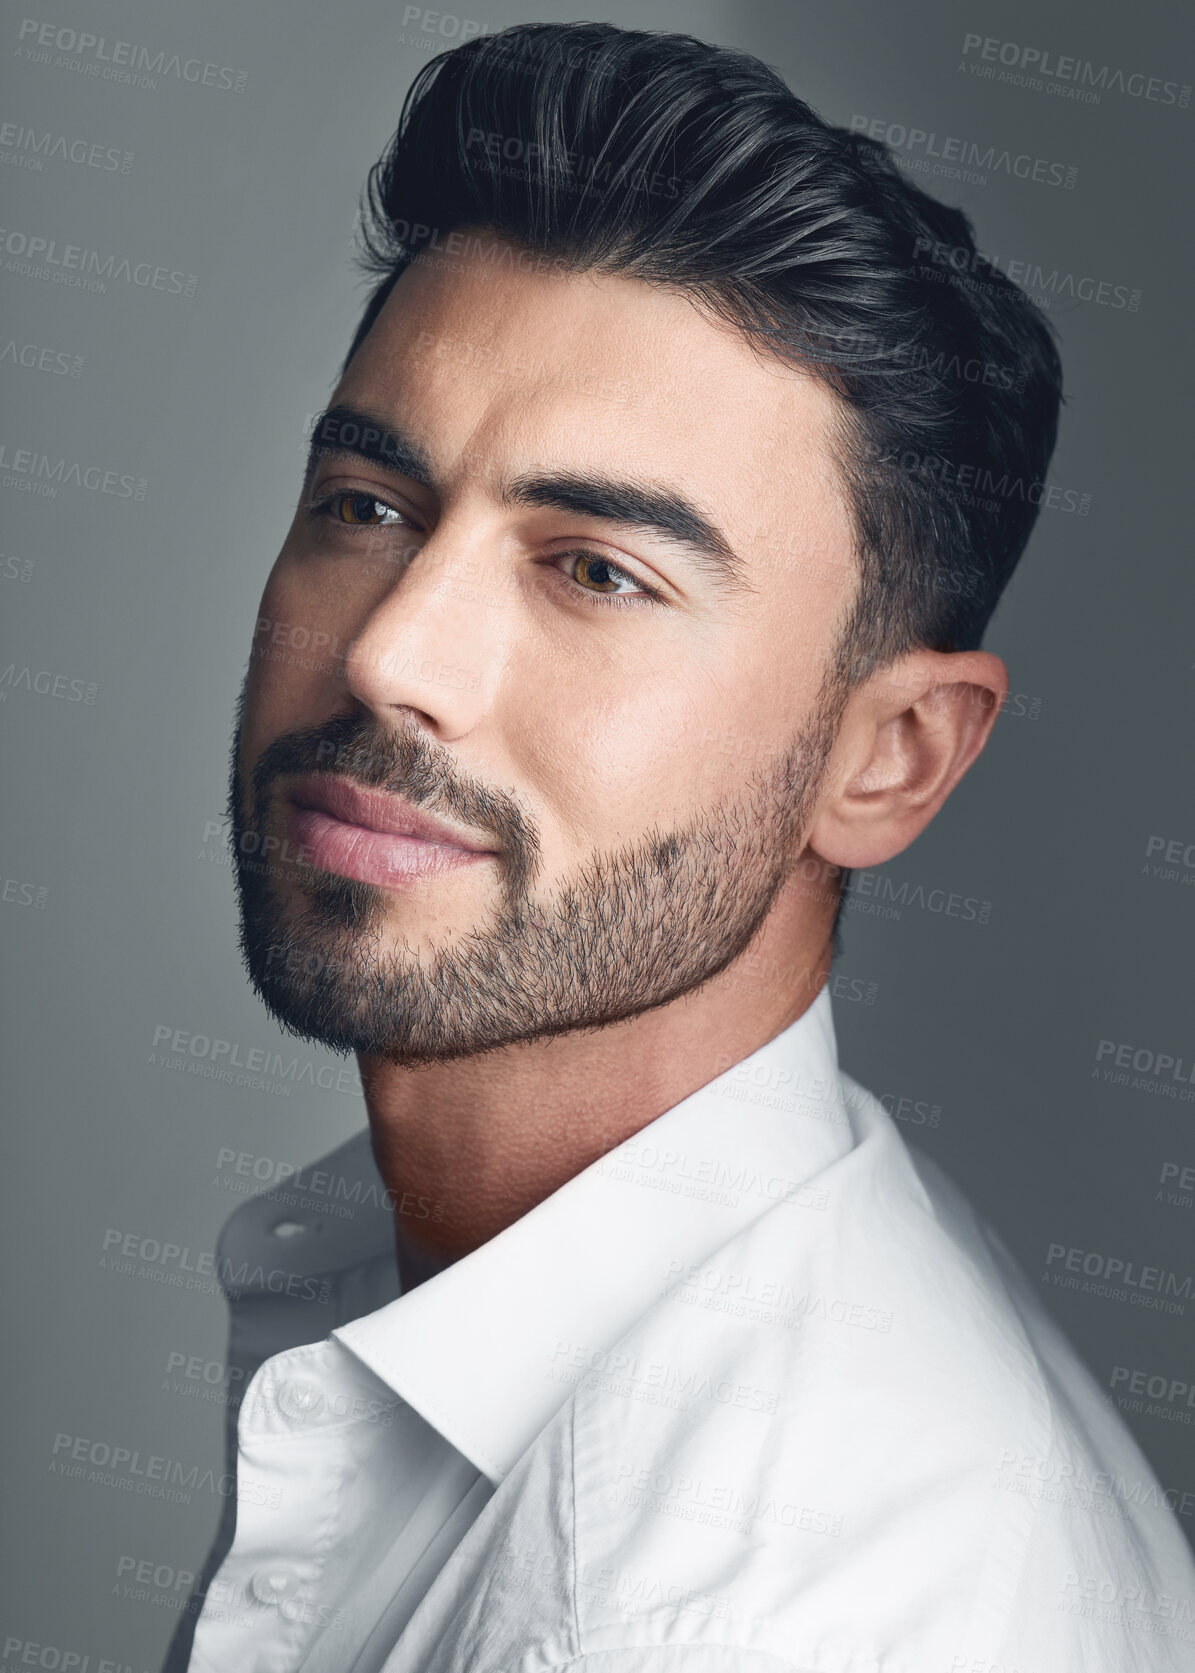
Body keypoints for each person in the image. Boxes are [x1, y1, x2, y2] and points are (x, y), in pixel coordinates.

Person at [167, 20, 1195, 1672]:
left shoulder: (762, 1609)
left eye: (595, 572)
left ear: (888, 756)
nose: (392, 655)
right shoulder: (475, 1293)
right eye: (370, 505)